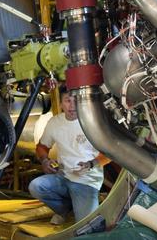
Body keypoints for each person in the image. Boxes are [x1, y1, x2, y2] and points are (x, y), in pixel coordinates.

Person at [30, 91, 103, 229]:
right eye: (68, 101)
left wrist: (90, 164)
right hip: (63, 176)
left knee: (87, 228)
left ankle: (78, 205)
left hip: (86, 181)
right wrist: (45, 161)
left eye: (76, 101)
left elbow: (109, 154)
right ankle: (65, 210)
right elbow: (42, 147)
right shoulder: (55, 122)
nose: (72, 106)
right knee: (36, 186)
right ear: (61, 104)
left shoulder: (92, 122)